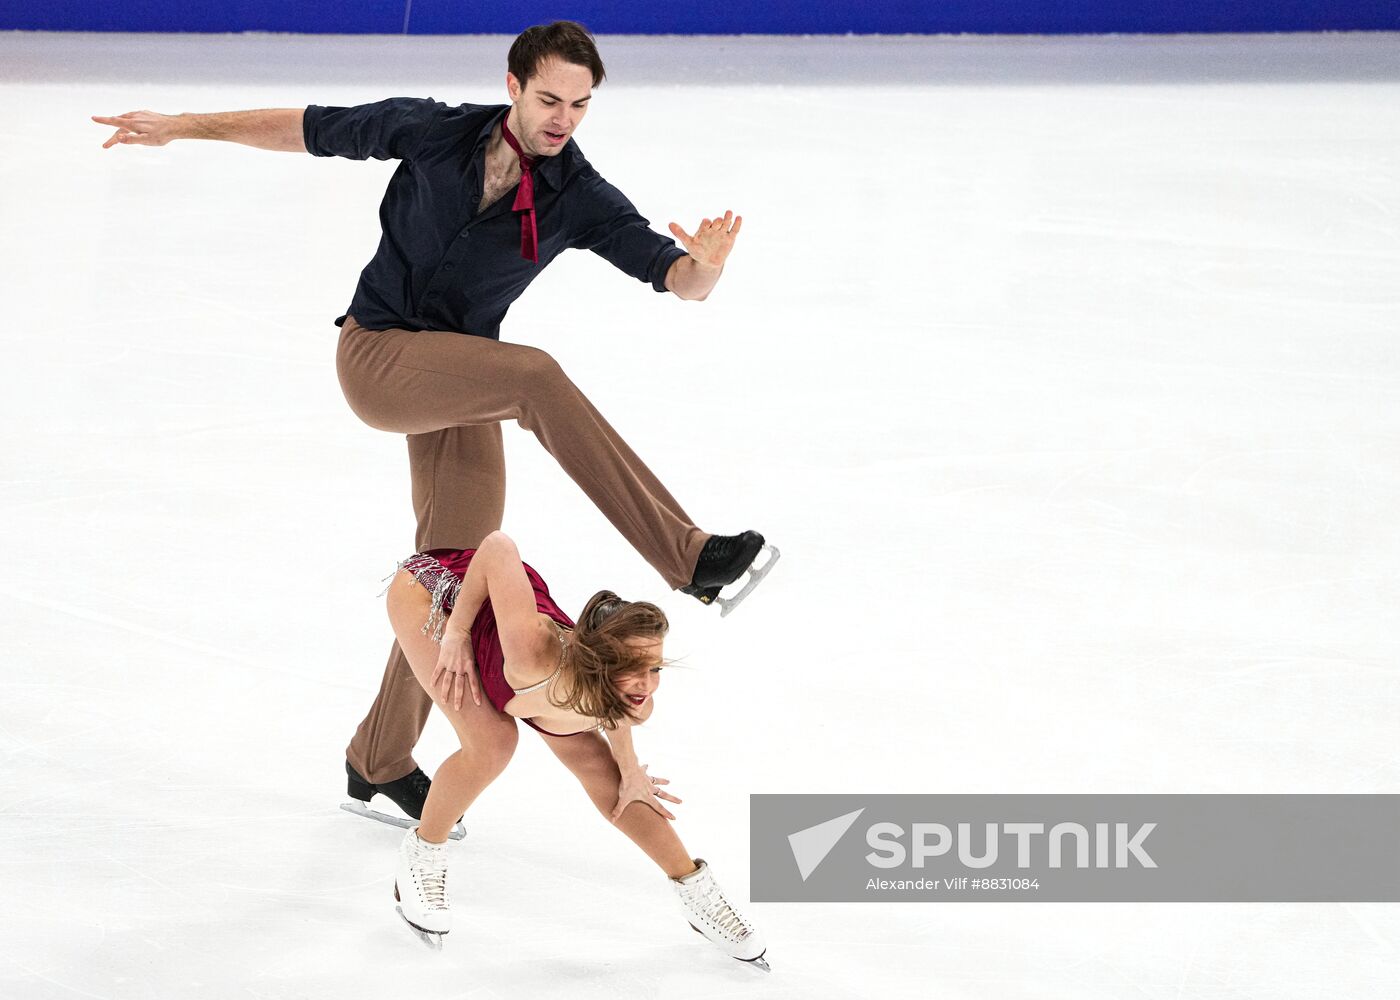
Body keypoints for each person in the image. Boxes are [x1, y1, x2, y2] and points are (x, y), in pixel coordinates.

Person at [91, 20, 778, 823]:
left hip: (459, 381)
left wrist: (707, 266)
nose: (564, 119)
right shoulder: (432, 128)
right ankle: (688, 555)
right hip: (379, 357)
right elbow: (308, 128)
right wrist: (185, 127)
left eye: (582, 105)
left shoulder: (577, 195)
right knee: (535, 376)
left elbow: (677, 280)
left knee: (455, 582)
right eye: (551, 98)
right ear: (514, 85)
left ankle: (376, 757)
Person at [382, 529, 769, 969]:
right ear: (599, 664)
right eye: (632, 669)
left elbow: (619, 716)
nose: (647, 683)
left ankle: (696, 892)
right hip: (436, 592)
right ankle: (423, 853)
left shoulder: (626, 697)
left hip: (530, 667)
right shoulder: (534, 656)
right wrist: (456, 633)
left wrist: (629, 768)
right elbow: (497, 546)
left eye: (654, 666)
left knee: (618, 785)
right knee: (493, 743)